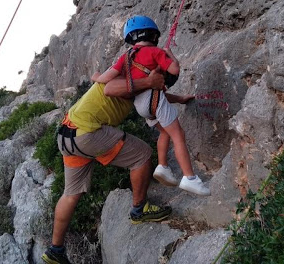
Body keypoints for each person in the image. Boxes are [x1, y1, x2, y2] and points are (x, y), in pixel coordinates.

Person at [42, 69, 171, 264]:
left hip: (67, 133)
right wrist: (148, 81)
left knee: (71, 194)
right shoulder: (129, 78)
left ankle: (55, 250)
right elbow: (113, 88)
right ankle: (139, 209)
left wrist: (177, 96)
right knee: (142, 155)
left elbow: (98, 77)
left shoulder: (121, 75)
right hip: (87, 132)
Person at [94, 15, 210, 196]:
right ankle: (190, 178)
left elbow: (104, 79)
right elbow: (174, 70)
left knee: (164, 132)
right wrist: (169, 55)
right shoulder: (155, 52)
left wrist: (95, 77)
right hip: (154, 99)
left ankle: (163, 167)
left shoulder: (125, 58)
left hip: (141, 105)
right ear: (152, 34)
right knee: (177, 134)